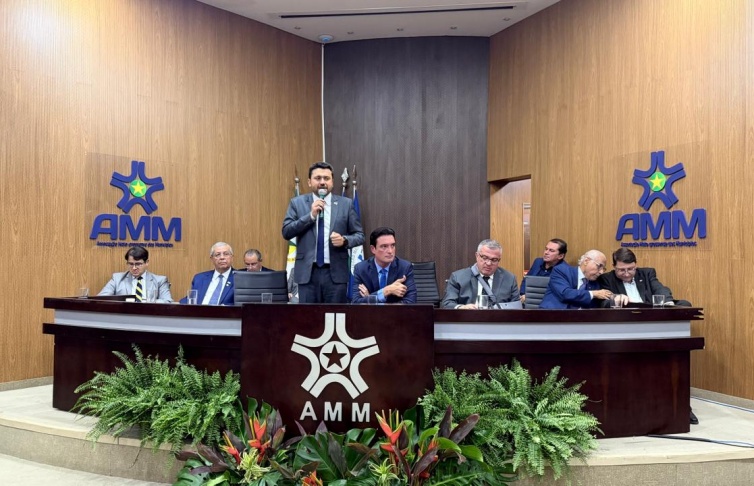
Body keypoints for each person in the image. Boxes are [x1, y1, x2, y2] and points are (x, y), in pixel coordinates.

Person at [282, 161, 365, 303]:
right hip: (307, 274)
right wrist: (310, 216)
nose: (322, 182)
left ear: (332, 182)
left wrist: (345, 240)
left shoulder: (346, 204)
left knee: (335, 315)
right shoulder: (297, 203)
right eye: (318, 178)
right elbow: (287, 231)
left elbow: (360, 235)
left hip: (335, 275)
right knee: (308, 316)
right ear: (309, 182)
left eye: (326, 178)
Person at [599, 248, 692, 307]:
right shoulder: (607, 278)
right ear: (614, 267)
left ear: (636, 265)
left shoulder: (646, 273)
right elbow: (603, 303)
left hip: (649, 313)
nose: (627, 274)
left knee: (684, 304)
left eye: (630, 269)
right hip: (625, 316)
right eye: (622, 270)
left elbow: (660, 288)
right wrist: (615, 299)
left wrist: (667, 302)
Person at [441, 239, 519, 309]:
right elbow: (447, 304)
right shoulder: (458, 277)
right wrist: (462, 307)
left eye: (494, 260)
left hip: (498, 320)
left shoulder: (509, 279)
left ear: (499, 260)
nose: (488, 263)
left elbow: (517, 308)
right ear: (477, 256)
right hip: (468, 319)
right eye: (485, 258)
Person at [351, 227, 417, 304]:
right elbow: (356, 303)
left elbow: (411, 302)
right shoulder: (361, 269)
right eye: (384, 246)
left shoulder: (405, 268)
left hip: (394, 313)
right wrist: (387, 290)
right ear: (373, 249)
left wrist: (370, 298)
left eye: (392, 245)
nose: (390, 251)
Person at [539, 249, 613, 309]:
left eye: (603, 269)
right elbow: (565, 294)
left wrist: (615, 299)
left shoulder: (596, 282)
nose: (601, 272)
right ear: (586, 261)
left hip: (579, 320)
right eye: (599, 266)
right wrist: (593, 294)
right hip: (552, 316)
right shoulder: (561, 271)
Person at [98, 246, 173, 302]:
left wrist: (147, 302)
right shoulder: (117, 279)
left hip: (149, 315)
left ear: (146, 262)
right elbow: (100, 299)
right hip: (124, 315)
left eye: (138, 264)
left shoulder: (160, 281)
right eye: (131, 264)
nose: (134, 268)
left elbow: (167, 301)